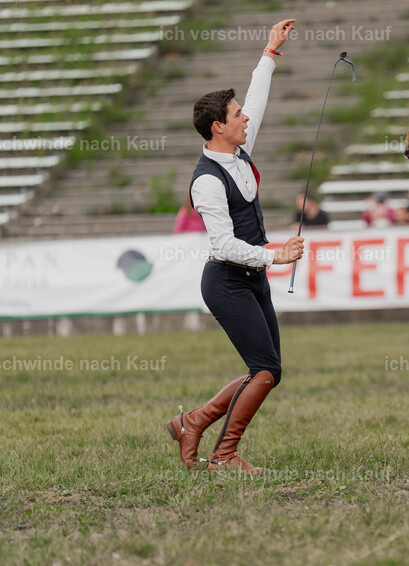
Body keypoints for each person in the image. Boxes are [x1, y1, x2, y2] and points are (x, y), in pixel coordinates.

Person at [167, 19, 304, 474]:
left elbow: (258, 100)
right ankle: (223, 455)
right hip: (226, 280)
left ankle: (194, 422)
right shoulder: (206, 180)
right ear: (217, 127)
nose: (246, 117)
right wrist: (274, 254)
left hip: (252, 277)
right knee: (263, 370)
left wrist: (269, 52)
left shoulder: (240, 148)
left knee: (268, 371)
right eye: (237, 114)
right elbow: (223, 244)